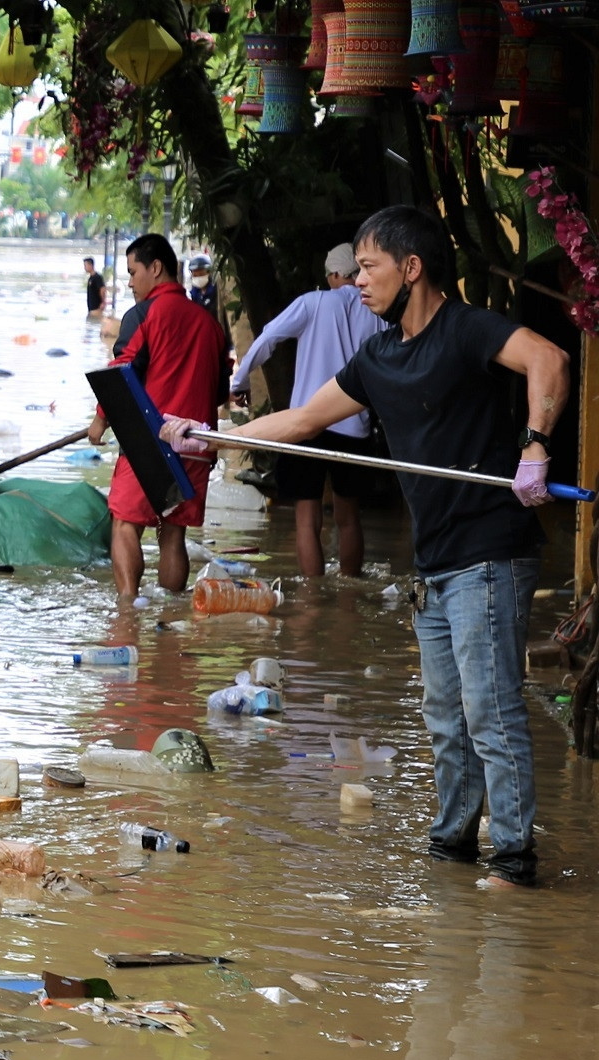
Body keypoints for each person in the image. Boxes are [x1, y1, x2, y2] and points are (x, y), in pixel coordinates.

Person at [160, 205, 570, 889]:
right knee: (444, 716)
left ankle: (516, 864)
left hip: (491, 550)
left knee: (490, 710)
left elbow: (547, 360)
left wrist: (536, 446)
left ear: (412, 269)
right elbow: (299, 417)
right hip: (435, 561)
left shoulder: (467, 329)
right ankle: (453, 847)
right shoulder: (380, 356)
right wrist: (213, 436)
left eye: (371, 268)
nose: (359, 283)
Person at [86, 232, 232, 603]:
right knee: (173, 533)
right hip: (198, 442)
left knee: (124, 526)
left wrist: (100, 420)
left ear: (156, 268)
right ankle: (169, 621)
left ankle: (127, 612)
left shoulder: (147, 314)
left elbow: (123, 371)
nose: (131, 282)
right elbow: (219, 392)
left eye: (133, 272)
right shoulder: (210, 324)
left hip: (152, 441)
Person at [230, 243, 388, 576]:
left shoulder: (312, 302)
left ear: (333, 275)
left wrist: (240, 381)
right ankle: (349, 595)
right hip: (353, 426)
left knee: (306, 519)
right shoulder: (375, 310)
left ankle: (312, 599)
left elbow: (268, 338)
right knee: (348, 518)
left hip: (305, 426)